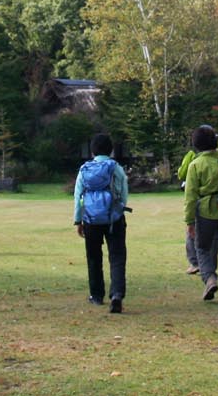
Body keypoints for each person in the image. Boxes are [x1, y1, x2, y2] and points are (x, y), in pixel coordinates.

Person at [74, 132, 129, 313]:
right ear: (111, 150)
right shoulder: (116, 168)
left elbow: (78, 197)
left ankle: (96, 295)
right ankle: (117, 294)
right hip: (114, 218)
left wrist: (78, 220)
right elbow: (124, 193)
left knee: (93, 257)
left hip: (91, 219)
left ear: (92, 151)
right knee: (117, 256)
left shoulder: (85, 170)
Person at [182, 124, 218, 305]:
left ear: (196, 144)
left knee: (202, 249)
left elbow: (190, 197)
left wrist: (189, 222)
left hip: (206, 213)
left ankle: (209, 278)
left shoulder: (196, 165)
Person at [176, 124, 216, 275]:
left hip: (199, 203)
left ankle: (195, 263)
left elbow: (181, 173)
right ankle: (208, 265)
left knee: (192, 234)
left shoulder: (192, 157)